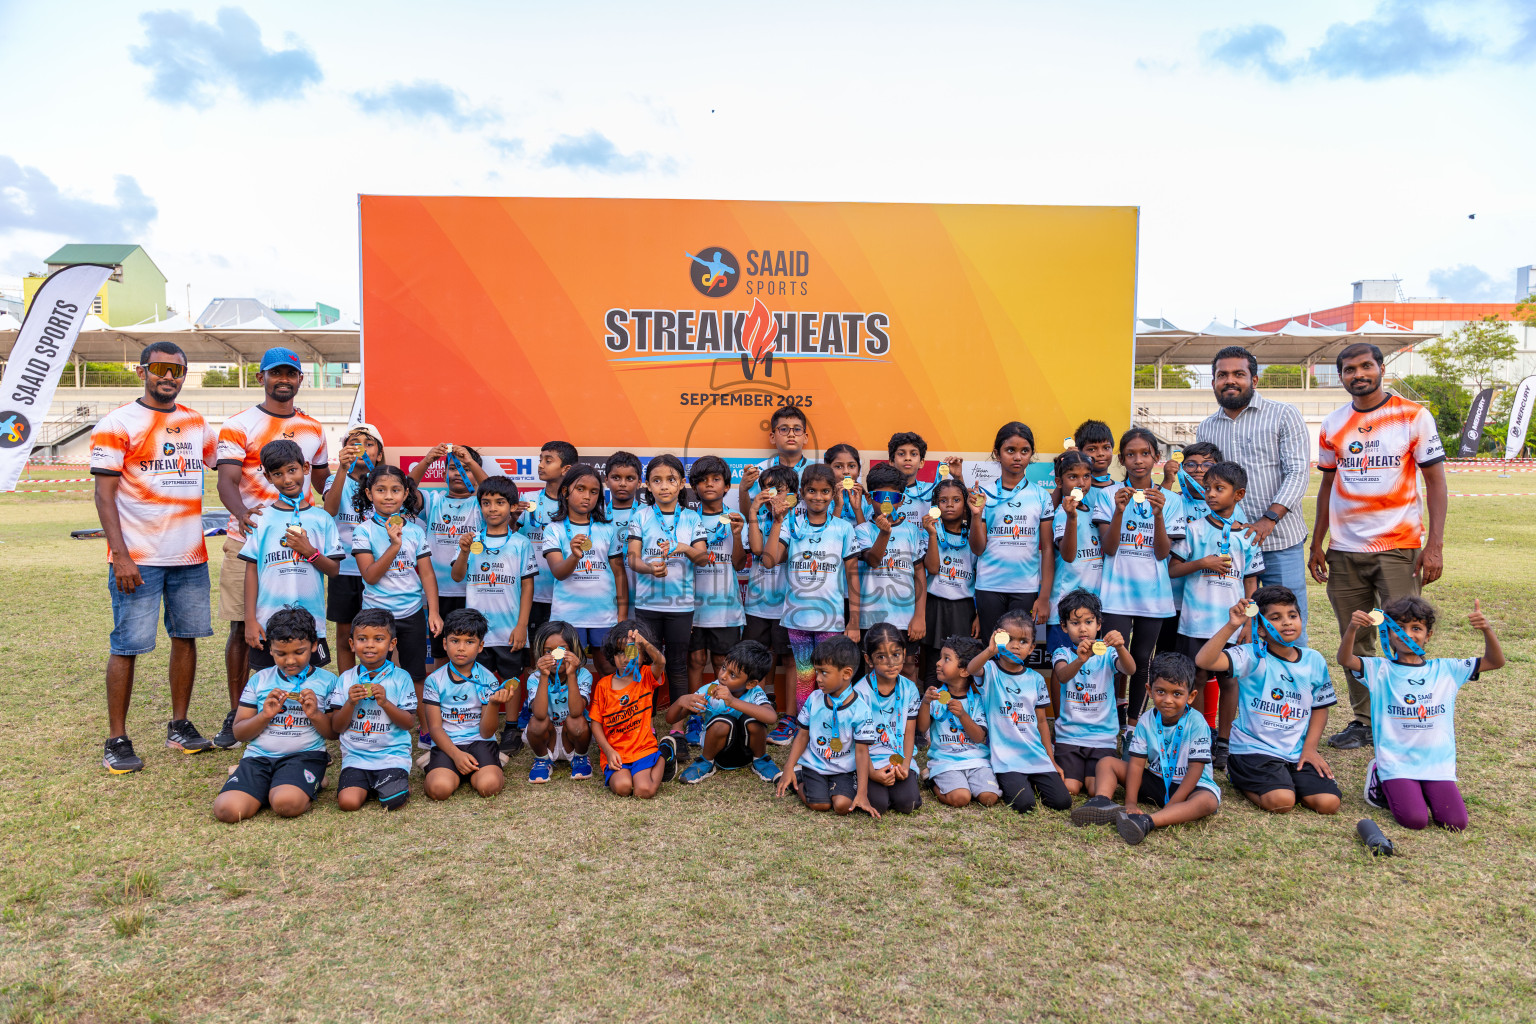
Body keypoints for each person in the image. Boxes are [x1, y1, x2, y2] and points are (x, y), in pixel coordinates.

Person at [1311, 342, 1449, 752]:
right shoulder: (1333, 423)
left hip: (1398, 546)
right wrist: (1318, 542)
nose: (1358, 374)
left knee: (1404, 635)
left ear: (1382, 368)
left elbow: (1436, 482)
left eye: (1365, 366)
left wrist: (1434, 545)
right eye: (1349, 369)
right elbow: (1327, 484)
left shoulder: (1413, 415)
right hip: (1344, 550)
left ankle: (1407, 715)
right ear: (1341, 376)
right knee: (1357, 637)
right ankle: (1365, 720)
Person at [90, 341, 219, 773]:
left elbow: (228, 462)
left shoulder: (196, 423)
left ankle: (179, 726)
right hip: (138, 558)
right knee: (127, 646)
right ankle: (117, 739)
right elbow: (104, 496)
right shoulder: (117, 423)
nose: (168, 376)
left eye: (177, 370)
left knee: (186, 638)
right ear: (142, 371)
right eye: (160, 368)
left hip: (190, 555)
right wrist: (121, 556)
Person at [214, 347, 329, 749]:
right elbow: (226, 481)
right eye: (275, 373)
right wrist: (243, 515)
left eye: (290, 374)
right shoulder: (238, 424)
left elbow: (323, 483)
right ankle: (239, 712)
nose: (284, 379)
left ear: (299, 379)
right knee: (243, 627)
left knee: (303, 628)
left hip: (300, 541)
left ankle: (305, 712)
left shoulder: (313, 428)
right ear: (261, 377)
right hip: (250, 536)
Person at [1340, 596, 1503, 831]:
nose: (1407, 634)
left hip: (1436, 763)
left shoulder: (1446, 669)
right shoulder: (1379, 669)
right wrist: (1352, 628)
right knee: (1415, 820)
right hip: (1396, 762)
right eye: (1400, 627)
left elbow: (1495, 661)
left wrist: (1487, 629)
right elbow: (1345, 659)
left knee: (1455, 823)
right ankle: (1379, 774)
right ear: (1388, 633)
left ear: (1428, 635)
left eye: (1416, 628)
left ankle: (1420, 789)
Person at [1196, 345, 1312, 641]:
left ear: (1254, 380)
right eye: (1222, 375)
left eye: (1239, 374)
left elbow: (1298, 473)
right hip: (1230, 548)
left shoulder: (1283, 415)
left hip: (1279, 542)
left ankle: (1292, 673)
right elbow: (1205, 484)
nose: (1230, 380)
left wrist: (1268, 519)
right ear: (1213, 382)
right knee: (1237, 629)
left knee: (1285, 628)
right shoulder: (1207, 428)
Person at [1195, 587, 1341, 816]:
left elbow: (1320, 707)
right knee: (1282, 802)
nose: (1287, 622)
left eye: (1292, 615)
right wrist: (1232, 625)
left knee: (1328, 804)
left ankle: (1287, 779)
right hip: (1254, 749)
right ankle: (1237, 774)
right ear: (1261, 628)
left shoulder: (1314, 660)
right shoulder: (1251, 655)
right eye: (1276, 617)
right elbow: (1205, 660)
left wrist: (1310, 749)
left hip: (1296, 751)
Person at [1168, 460, 1264, 769]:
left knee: (1230, 680)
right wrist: (1202, 563)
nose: (1210, 494)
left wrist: (1249, 621)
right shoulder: (1193, 530)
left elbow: (1251, 582)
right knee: (1196, 677)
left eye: (1219, 489)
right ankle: (1197, 737)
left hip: (1231, 624)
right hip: (1195, 623)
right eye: (1208, 488)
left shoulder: (1248, 536)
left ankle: (1224, 742)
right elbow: (1173, 569)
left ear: (1239, 495)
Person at [1071, 652, 1221, 845]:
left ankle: (1146, 822)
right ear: (1149, 690)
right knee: (1107, 763)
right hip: (1158, 780)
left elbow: (1195, 770)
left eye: (1177, 694)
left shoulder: (1197, 722)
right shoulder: (1146, 720)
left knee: (1208, 801)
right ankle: (1102, 802)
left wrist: (1173, 803)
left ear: (1191, 696)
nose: (1168, 700)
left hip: (1192, 786)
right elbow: (1136, 764)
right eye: (1161, 692)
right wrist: (1131, 803)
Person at [1093, 427, 1184, 744]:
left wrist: (1158, 516)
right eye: (1130, 454)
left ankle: (1133, 727)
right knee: (1114, 659)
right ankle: (1109, 723)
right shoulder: (1108, 495)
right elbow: (1109, 548)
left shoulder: (1171, 500)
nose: (1138, 460)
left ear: (1156, 457)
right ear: (1121, 460)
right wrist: (1119, 512)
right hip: (1116, 594)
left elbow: (1161, 553)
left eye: (1145, 453)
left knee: (1143, 660)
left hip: (1153, 596)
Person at [211, 607, 339, 822]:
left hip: (303, 757)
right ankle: (267, 783)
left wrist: (315, 714)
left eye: (299, 652)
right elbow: (240, 733)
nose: (290, 661)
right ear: (270, 649)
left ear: (314, 645)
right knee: (227, 811)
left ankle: (309, 781)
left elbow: (333, 733)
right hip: (258, 758)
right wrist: (264, 716)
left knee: (285, 804)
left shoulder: (327, 681)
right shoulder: (260, 680)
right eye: (281, 653)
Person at [761, 463, 863, 725]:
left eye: (825, 491)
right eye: (812, 491)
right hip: (797, 619)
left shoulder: (843, 528)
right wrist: (777, 521)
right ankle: (805, 726)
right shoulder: (791, 524)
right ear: (802, 493)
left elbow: (853, 576)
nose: (818, 497)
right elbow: (769, 561)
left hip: (831, 620)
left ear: (833, 494)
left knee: (830, 674)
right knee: (805, 676)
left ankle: (829, 725)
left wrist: (854, 621)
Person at [240, 440, 344, 673]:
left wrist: (310, 552)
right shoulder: (260, 519)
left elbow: (334, 569)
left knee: (311, 684)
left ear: (305, 468)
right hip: (267, 623)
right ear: (268, 477)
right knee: (269, 684)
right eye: (278, 474)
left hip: (311, 623)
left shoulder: (322, 519)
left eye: (292, 470)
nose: (287, 479)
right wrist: (250, 620)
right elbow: (251, 572)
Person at [627, 454, 708, 741]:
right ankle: (643, 726)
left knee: (677, 665)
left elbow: (703, 559)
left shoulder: (692, 517)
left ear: (681, 483)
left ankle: (677, 729)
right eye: (657, 480)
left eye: (671, 480)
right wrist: (649, 568)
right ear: (647, 485)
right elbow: (632, 558)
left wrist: (685, 548)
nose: (664, 486)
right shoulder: (640, 516)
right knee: (644, 665)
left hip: (680, 607)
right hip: (646, 606)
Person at [451, 476, 538, 734]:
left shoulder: (521, 543)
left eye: (500, 502)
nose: (492, 508)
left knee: (511, 678)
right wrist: (464, 552)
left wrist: (522, 626)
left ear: (513, 507)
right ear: (480, 506)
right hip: (477, 631)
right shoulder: (470, 540)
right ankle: (479, 726)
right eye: (486, 503)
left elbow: (527, 587)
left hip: (509, 628)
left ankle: (511, 727)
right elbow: (457, 576)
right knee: (479, 678)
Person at [350, 465, 440, 700]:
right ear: (369, 493)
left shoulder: (416, 531)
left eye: (395, 490)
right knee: (374, 673)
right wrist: (394, 546)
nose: (388, 496)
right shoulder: (363, 531)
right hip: (375, 615)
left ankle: (422, 723)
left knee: (416, 674)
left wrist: (433, 612)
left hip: (411, 613)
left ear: (405, 493)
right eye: (381, 490)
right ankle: (376, 719)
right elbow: (370, 576)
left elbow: (427, 574)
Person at [966, 611, 1068, 814]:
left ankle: (1034, 778)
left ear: (1031, 648)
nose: (1016, 645)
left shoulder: (1036, 679)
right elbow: (971, 669)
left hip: (1035, 755)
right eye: (1009, 639)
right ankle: (1014, 782)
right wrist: (990, 651)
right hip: (1006, 759)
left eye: (1023, 641)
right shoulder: (990, 671)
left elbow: (1041, 722)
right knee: (1024, 804)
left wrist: (1051, 760)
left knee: (1062, 801)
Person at [775, 636, 879, 817]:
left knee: (842, 806)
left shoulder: (861, 708)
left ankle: (832, 788)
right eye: (816, 671)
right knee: (820, 804)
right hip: (815, 765)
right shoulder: (814, 699)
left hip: (845, 770)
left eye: (824, 672)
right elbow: (802, 735)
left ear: (846, 673)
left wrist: (862, 794)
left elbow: (862, 752)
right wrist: (788, 767)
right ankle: (798, 778)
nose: (818, 678)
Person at [969, 421, 1054, 640]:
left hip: (1025, 589)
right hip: (989, 586)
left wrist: (1044, 597)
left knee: (1018, 650)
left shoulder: (1041, 495)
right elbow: (977, 549)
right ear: (997, 453)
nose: (1017, 457)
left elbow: (1047, 549)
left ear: (1031, 454)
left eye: (1024, 451)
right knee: (992, 649)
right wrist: (976, 515)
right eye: (1010, 450)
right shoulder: (984, 494)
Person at [329, 609, 419, 811]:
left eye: (378, 639)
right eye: (362, 639)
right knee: (348, 803)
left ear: (392, 644)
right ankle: (372, 784)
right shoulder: (346, 679)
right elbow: (337, 727)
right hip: (356, 757)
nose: (369, 645)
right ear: (352, 644)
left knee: (393, 802)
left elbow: (408, 723)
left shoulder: (401, 678)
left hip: (391, 756)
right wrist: (350, 703)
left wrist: (385, 703)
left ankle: (397, 784)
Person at [543, 463, 627, 675]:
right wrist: (574, 555)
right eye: (580, 489)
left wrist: (622, 615)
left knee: (608, 666)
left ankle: (608, 699)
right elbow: (559, 572)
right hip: (567, 616)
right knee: (564, 669)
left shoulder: (607, 529)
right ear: (565, 491)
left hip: (604, 615)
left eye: (594, 491)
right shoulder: (554, 529)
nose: (587, 496)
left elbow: (619, 573)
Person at [687, 455, 748, 744]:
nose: (709, 484)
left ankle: (724, 710)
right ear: (694, 487)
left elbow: (739, 563)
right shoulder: (687, 518)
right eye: (702, 480)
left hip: (725, 607)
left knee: (724, 662)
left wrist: (737, 535)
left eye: (716, 479)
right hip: (692, 605)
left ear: (726, 486)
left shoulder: (735, 518)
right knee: (696, 659)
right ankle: (695, 714)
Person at [410, 443, 488, 667]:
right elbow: (406, 489)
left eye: (466, 468)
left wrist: (470, 461)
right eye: (453, 468)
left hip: (473, 592)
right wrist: (427, 461)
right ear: (444, 472)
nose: (459, 473)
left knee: (472, 652)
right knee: (441, 652)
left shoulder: (483, 504)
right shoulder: (433, 500)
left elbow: (494, 490)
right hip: (439, 593)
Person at [1051, 589, 1134, 796]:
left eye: (1088, 622)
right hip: (1069, 737)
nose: (1082, 629)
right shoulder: (1062, 653)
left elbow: (1130, 669)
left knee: (1096, 789)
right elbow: (1062, 676)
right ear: (1064, 626)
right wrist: (1080, 660)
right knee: (1070, 788)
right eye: (1075, 623)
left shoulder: (1108, 653)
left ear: (1098, 624)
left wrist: (1121, 647)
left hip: (1102, 738)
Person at [421, 608, 507, 801]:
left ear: (480, 646)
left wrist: (493, 704)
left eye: (469, 642)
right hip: (447, 743)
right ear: (445, 644)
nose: (461, 648)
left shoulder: (488, 679)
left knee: (489, 787)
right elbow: (435, 728)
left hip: (480, 741)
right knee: (438, 790)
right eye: (455, 641)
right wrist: (456, 755)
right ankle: (433, 764)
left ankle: (494, 762)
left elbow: (486, 732)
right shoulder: (434, 680)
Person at [672, 639, 779, 784]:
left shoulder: (755, 692)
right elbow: (671, 719)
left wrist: (732, 701)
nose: (722, 675)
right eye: (724, 667)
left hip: (747, 752)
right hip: (718, 753)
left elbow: (771, 717)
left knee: (753, 719)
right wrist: (680, 702)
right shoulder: (709, 690)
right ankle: (706, 762)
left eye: (732, 675)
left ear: (750, 683)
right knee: (723, 721)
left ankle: (761, 760)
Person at [324, 423, 386, 674]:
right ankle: (347, 686)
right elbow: (329, 511)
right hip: (345, 570)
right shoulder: (335, 479)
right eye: (354, 444)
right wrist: (342, 468)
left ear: (379, 454)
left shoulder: (386, 482)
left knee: (380, 633)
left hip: (378, 569)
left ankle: (381, 685)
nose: (361, 448)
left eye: (369, 444)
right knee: (345, 634)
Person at [745, 464, 799, 744]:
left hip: (788, 604)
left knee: (790, 660)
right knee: (758, 657)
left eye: (779, 489)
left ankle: (790, 716)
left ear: (792, 494)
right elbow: (756, 550)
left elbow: (772, 558)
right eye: (767, 488)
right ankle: (760, 709)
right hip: (757, 603)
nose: (772, 494)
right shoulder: (760, 517)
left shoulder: (799, 520)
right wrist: (753, 512)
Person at [589, 620, 674, 797]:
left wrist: (643, 642)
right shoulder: (603, 685)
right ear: (612, 654)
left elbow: (661, 662)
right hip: (616, 752)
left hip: (643, 749)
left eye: (632, 652)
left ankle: (663, 754)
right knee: (623, 787)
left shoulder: (646, 676)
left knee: (644, 791)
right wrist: (608, 751)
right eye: (620, 652)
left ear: (643, 656)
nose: (625, 658)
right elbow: (595, 724)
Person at [856, 461, 929, 656]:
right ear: (869, 498)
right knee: (872, 663)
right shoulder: (862, 530)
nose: (886, 502)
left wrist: (919, 616)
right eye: (880, 496)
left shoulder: (912, 531)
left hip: (905, 618)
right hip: (870, 617)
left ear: (901, 500)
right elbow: (873, 560)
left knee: (907, 666)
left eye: (893, 497)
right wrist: (884, 533)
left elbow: (919, 574)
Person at [920, 634, 998, 808]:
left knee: (989, 798)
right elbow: (922, 728)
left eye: (946, 659)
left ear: (964, 671)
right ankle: (932, 781)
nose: (938, 663)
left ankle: (966, 783)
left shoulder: (978, 701)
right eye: (940, 657)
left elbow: (979, 737)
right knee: (961, 798)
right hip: (946, 761)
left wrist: (963, 715)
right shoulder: (935, 696)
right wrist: (925, 703)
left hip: (977, 761)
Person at [853, 624, 922, 814]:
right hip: (869, 759)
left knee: (908, 803)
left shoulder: (910, 689)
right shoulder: (860, 693)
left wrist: (905, 766)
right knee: (879, 804)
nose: (891, 663)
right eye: (881, 657)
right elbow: (858, 744)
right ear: (868, 659)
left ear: (904, 654)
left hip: (898, 758)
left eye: (896, 654)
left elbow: (909, 733)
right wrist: (872, 773)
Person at [920, 473, 977, 686]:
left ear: (965, 504)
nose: (950, 505)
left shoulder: (974, 535)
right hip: (934, 606)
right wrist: (932, 535)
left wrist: (979, 614)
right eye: (943, 500)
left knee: (961, 665)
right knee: (934, 665)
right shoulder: (928, 533)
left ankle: (959, 705)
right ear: (935, 506)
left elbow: (981, 576)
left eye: (956, 500)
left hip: (964, 608)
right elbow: (933, 568)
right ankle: (931, 704)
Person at [1045, 450, 1102, 660]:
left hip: (1091, 611)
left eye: (1086, 476)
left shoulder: (1094, 512)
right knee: (1063, 665)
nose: (1081, 483)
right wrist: (1071, 518)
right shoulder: (1062, 514)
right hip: (1066, 610)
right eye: (1073, 477)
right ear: (1059, 482)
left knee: (1087, 667)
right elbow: (1068, 556)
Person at [524, 621, 595, 783]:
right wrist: (543, 676)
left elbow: (576, 712)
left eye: (562, 650)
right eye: (548, 651)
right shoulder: (535, 678)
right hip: (547, 736)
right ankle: (542, 760)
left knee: (576, 720)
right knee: (536, 723)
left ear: (574, 651)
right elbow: (539, 714)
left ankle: (580, 757)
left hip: (573, 735)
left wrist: (571, 675)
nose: (556, 657)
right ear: (540, 653)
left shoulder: (583, 675)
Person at [736, 405, 811, 507]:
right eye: (784, 429)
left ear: (805, 438)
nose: (791, 434)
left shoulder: (816, 471)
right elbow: (748, 515)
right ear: (772, 437)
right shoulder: (759, 472)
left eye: (797, 429)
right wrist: (743, 490)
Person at [604, 450, 644, 600]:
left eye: (629, 478)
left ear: (639, 482)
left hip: (642, 593)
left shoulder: (648, 514)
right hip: (608, 595)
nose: (622, 483)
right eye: (616, 477)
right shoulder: (598, 515)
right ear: (606, 480)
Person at [887, 431, 937, 506]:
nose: (907, 458)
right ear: (891, 462)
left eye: (913, 454)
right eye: (901, 454)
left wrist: (956, 476)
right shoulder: (880, 493)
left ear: (921, 462)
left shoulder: (932, 490)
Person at [825, 443, 870, 524]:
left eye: (851, 466)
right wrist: (838, 507)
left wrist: (858, 510)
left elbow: (865, 531)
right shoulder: (823, 500)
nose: (846, 471)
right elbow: (829, 531)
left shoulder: (867, 501)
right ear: (828, 470)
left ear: (858, 471)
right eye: (838, 466)